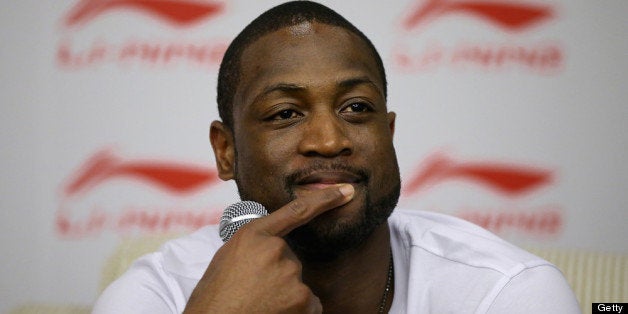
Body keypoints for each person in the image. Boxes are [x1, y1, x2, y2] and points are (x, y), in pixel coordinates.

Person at [93, 1, 580, 313]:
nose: (328, 141)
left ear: (388, 134)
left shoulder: (506, 294)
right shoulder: (159, 295)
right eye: (285, 113)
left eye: (356, 108)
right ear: (227, 151)